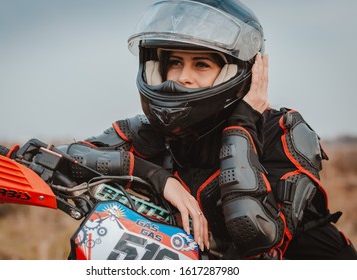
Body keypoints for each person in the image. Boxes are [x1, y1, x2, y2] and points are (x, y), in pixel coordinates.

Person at [64, 0, 357, 259]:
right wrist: (157, 177)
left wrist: (240, 125)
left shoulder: (281, 132)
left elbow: (256, 236)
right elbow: (53, 160)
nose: (182, 78)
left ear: (242, 72)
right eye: (174, 62)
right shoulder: (148, 133)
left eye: (201, 65)